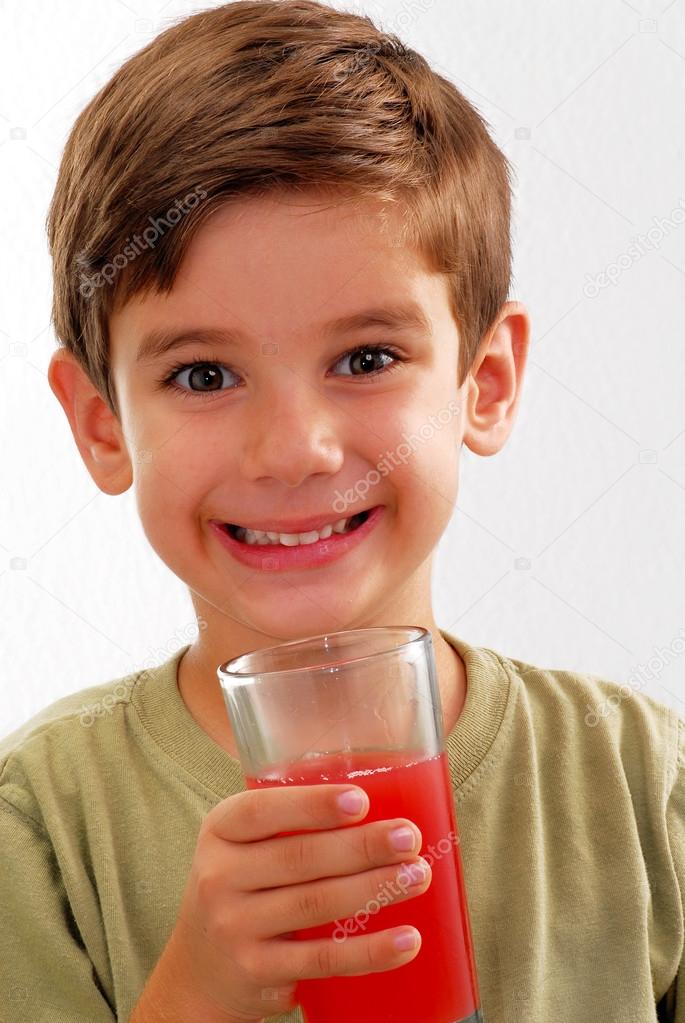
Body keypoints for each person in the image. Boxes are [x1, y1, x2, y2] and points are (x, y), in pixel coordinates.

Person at [1, 2, 682, 1020]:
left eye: (365, 359)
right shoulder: (37, 831)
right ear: (102, 424)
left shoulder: (640, 784)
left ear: (485, 384)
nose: (294, 449)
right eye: (203, 374)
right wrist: (193, 996)